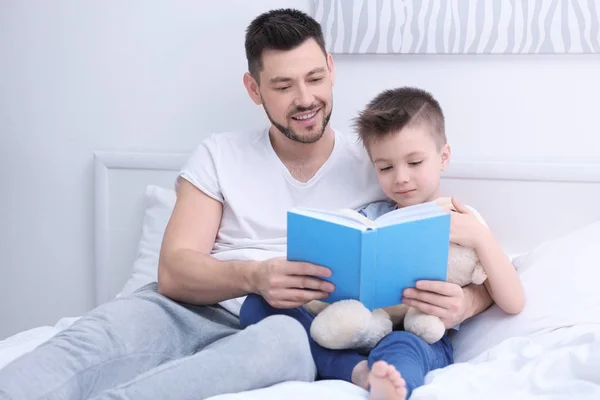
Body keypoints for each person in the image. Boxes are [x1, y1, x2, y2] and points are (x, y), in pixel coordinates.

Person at [0, 8, 494, 400]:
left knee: (275, 343)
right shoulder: (220, 153)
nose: (306, 99)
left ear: (331, 71)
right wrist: (255, 276)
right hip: (188, 306)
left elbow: (472, 253)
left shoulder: (382, 164)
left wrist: (465, 303)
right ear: (253, 89)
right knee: (87, 344)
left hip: (294, 327)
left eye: (315, 78)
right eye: (283, 86)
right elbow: (174, 270)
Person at [240, 86, 525, 399]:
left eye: (414, 163)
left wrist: (480, 237)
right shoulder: (369, 217)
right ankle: (358, 371)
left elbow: (513, 301)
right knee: (257, 304)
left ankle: (389, 386)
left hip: (419, 334)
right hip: (354, 328)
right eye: (386, 167)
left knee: (403, 347)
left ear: (443, 157)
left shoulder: (463, 221)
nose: (400, 178)